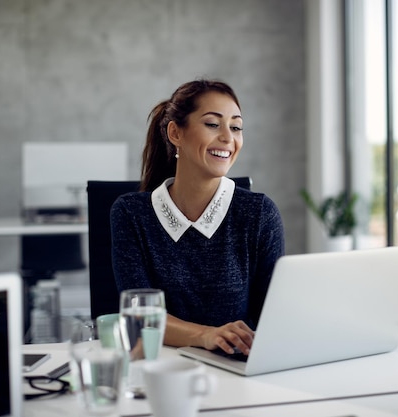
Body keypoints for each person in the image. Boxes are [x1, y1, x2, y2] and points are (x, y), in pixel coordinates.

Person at [111, 79, 285, 356]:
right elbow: (140, 316)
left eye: (236, 127)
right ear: (175, 133)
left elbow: (274, 318)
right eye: (213, 124)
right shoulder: (132, 213)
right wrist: (206, 335)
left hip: (237, 369)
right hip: (159, 369)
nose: (228, 137)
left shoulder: (259, 213)